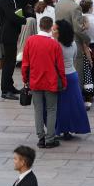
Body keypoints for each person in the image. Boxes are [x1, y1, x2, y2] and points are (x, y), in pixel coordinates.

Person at [22, 16, 66, 149]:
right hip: (51, 81)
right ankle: (50, 139)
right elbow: (60, 66)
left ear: (39, 26)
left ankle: (40, 137)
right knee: (52, 109)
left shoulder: (30, 41)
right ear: (51, 27)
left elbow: (25, 64)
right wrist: (63, 82)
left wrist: (25, 79)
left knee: (38, 110)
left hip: (35, 80)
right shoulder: (54, 44)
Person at [53, 19, 91, 138]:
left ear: (60, 31)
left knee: (61, 105)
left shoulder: (55, 44)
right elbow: (74, 57)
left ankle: (62, 129)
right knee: (74, 104)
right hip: (73, 75)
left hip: (61, 77)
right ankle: (72, 128)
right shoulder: (73, 43)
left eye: (55, 29)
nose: (53, 30)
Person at [0, 0, 25, 99]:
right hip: (7, 33)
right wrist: (24, 20)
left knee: (11, 61)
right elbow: (11, 15)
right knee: (8, 62)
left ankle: (10, 86)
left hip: (11, 32)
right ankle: (5, 90)